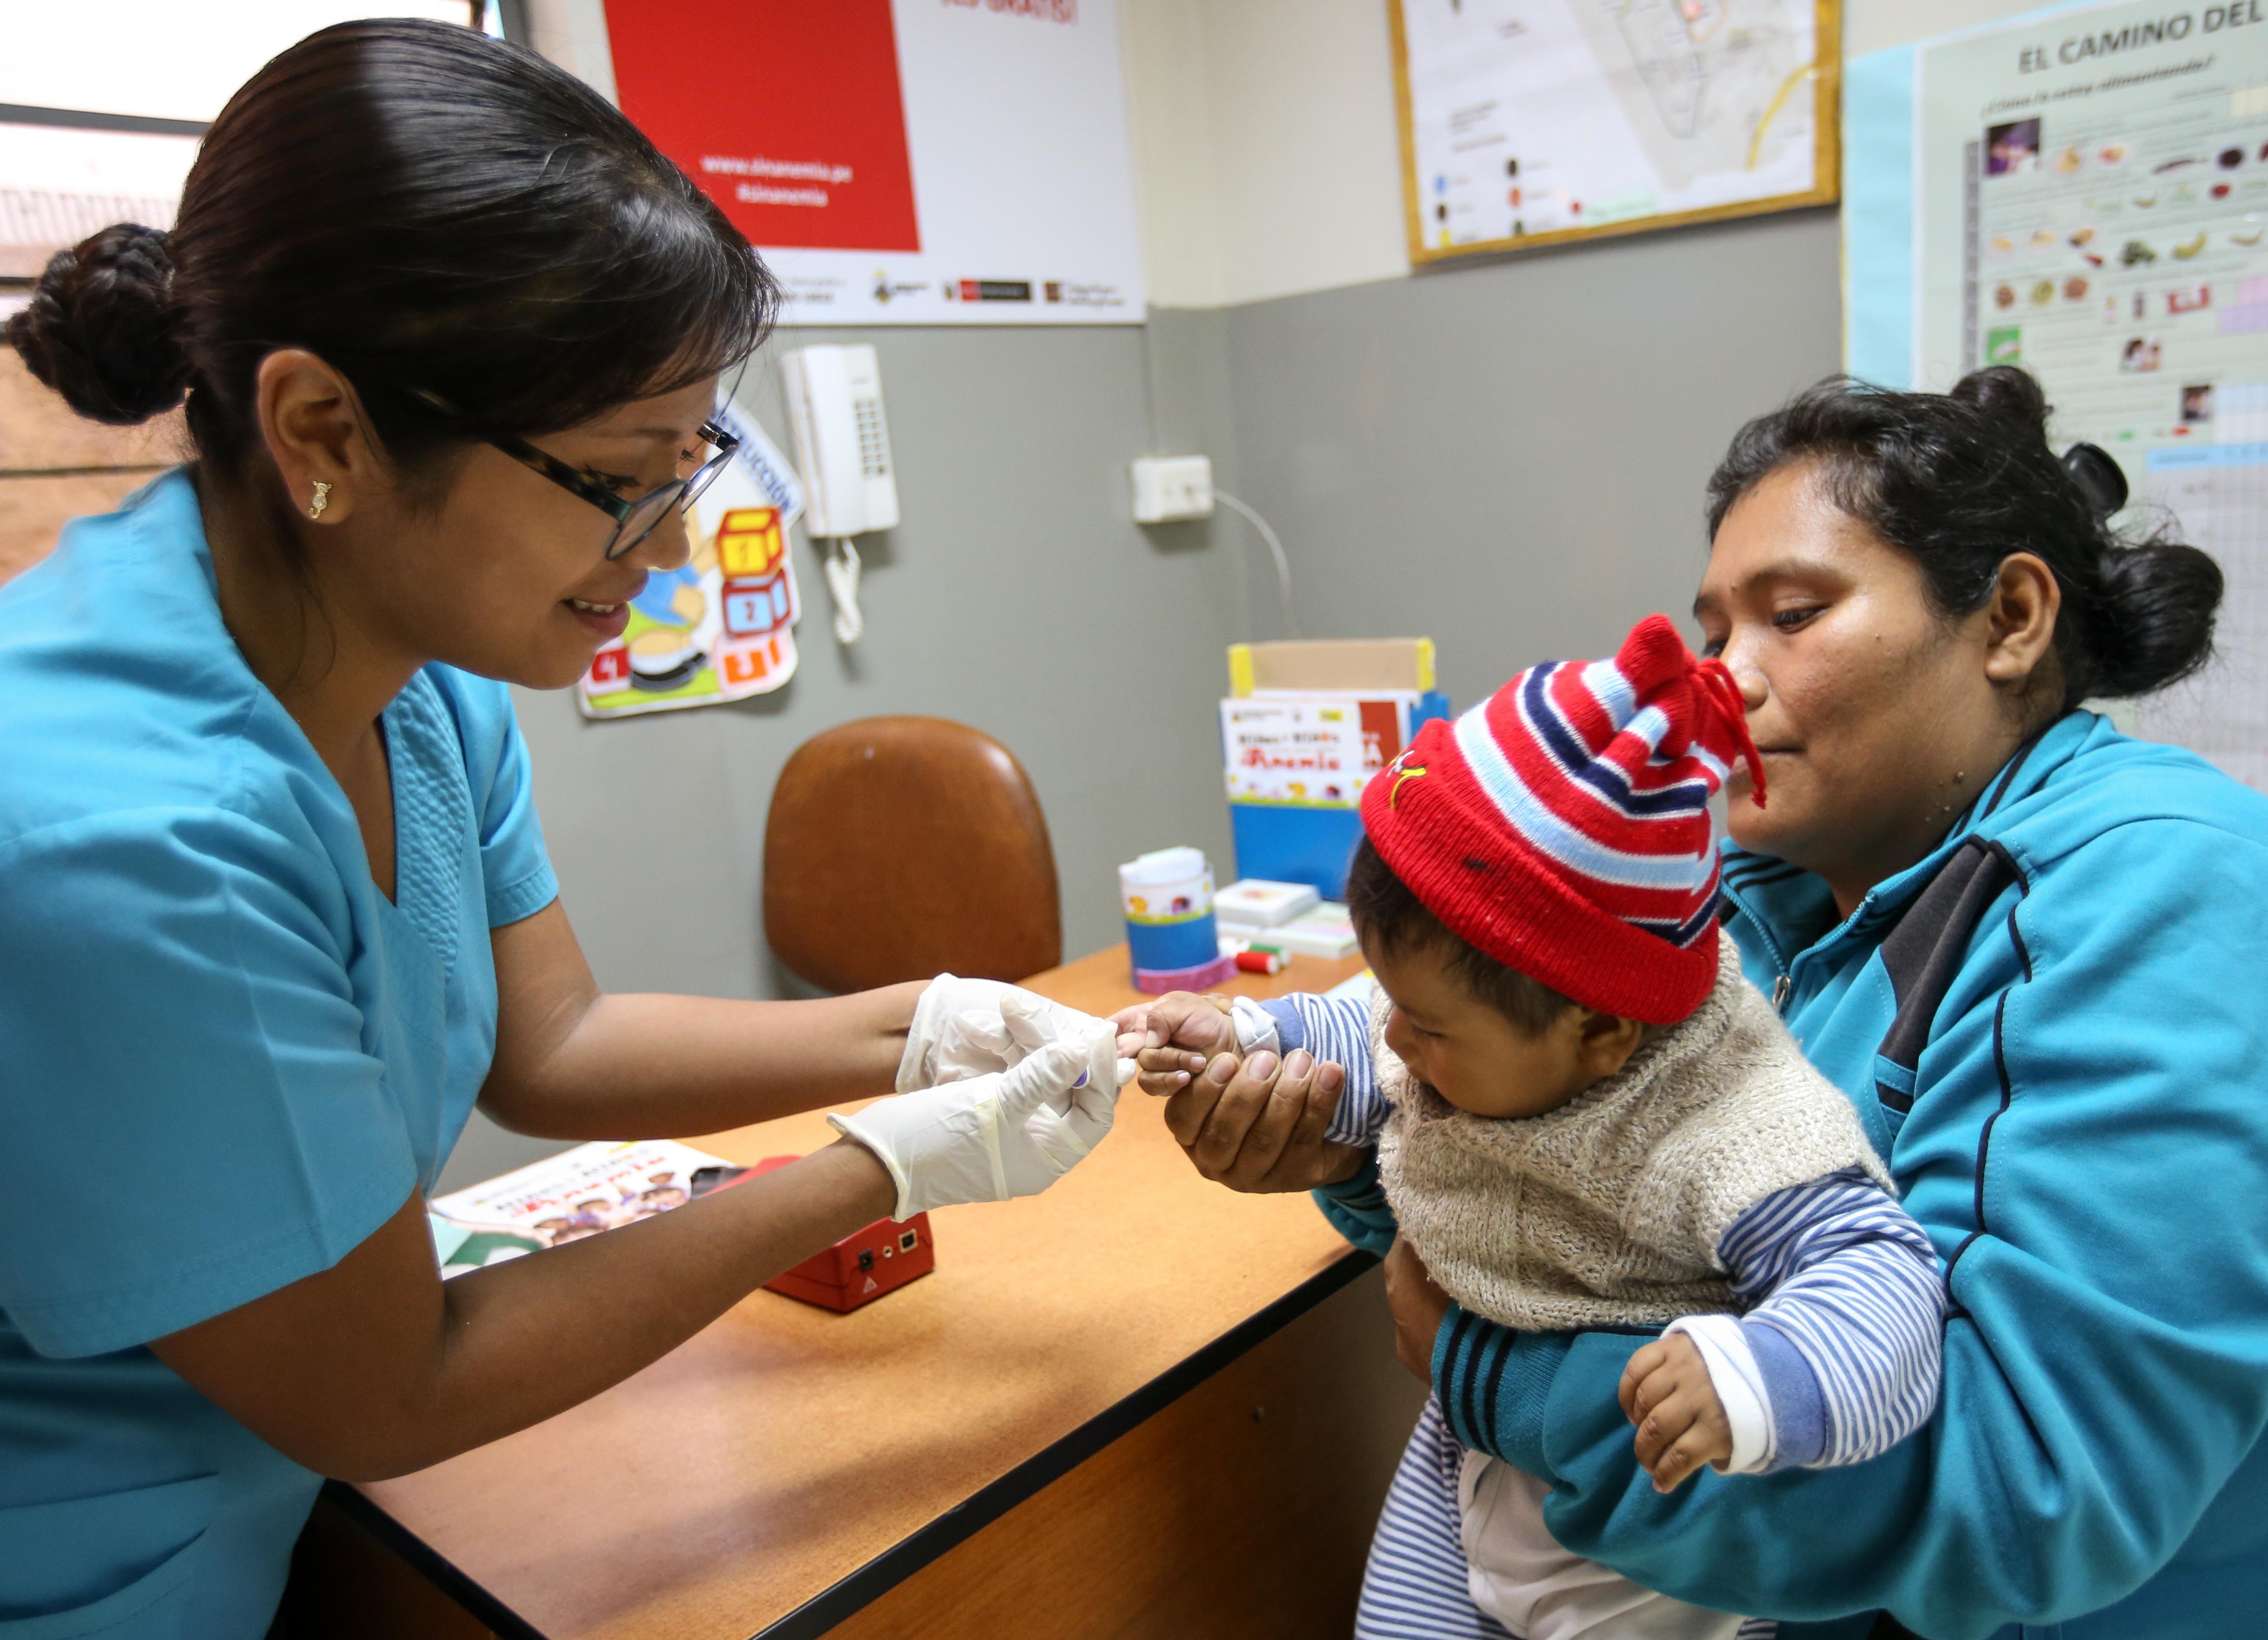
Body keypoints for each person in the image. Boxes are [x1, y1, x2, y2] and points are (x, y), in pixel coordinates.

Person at [0, 22, 1118, 1638]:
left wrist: (914, 1032)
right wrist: (869, 1173)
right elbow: (389, 1388)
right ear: (324, 431)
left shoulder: (403, 664)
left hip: (291, 1517)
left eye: (692, 463)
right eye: (618, 478)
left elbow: (558, 1043)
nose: (664, 551)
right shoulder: (127, 834)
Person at [1128, 367, 2268, 1638]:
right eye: (1713, 632)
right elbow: (1590, 1210)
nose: (1725, 680)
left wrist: (1489, 1371)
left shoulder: (2156, 886)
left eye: (1793, 613)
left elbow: (2031, 1494)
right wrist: (1359, 1142)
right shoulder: (1741, 883)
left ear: (2007, 616)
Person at [1135, 617, 1944, 1640]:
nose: (1393, 1033)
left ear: (1598, 1030)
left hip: (1642, 1559)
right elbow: (1359, 1033)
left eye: (1424, 1025)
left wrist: (1756, 1375)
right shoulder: (1487, 1015)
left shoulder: (1735, 1120)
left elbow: (1882, 1276)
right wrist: (1245, 1035)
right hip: (1461, 1454)